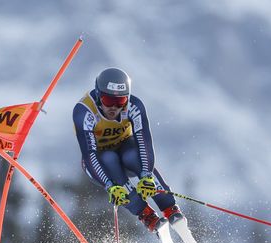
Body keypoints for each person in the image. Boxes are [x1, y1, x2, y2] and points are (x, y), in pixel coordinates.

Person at [72, 67, 189, 234]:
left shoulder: (134, 105)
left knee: (132, 156)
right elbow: (89, 154)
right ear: (98, 95)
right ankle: (146, 214)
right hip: (99, 162)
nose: (113, 107)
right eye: (107, 100)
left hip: (126, 150)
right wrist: (109, 185)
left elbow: (144, 141)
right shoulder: (84, 112)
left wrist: (146, 176)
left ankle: (170, 208)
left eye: (120, 102)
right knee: (109, 159)